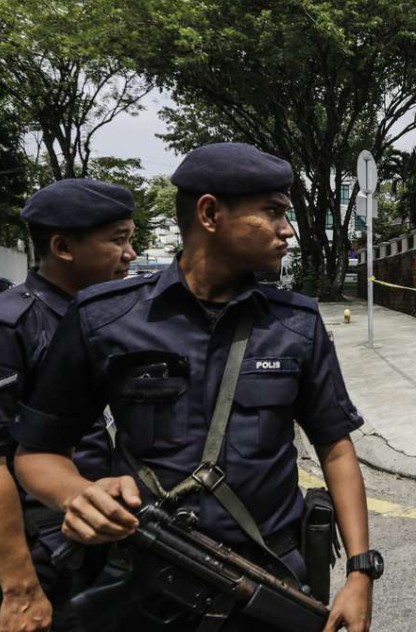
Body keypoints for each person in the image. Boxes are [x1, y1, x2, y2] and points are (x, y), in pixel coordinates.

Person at [13, 143, 378, 632]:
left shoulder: (296, 322)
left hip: (268, 583)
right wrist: (76, 494)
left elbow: (335, 446)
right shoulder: (104, 317)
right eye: (273, 212)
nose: (287, 229)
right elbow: (37, 452)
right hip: (146, 588)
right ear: (209, 214)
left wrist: (359, 572)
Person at [0, 179, 137, 631]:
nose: (130, 254)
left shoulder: (108, 321)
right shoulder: (13, 325)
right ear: (62, 247)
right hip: (44, 547)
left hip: (106, 537)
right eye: (118, 240)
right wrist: (19, 586)